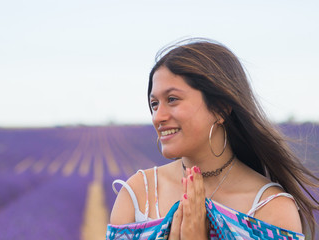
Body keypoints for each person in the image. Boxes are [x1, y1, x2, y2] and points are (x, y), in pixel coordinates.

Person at [107, 38, 319, 239]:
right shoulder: (138, 194)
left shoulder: (270, 208)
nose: (158, 117)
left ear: (220, 109)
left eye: (172, 99)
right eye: (154, 104)